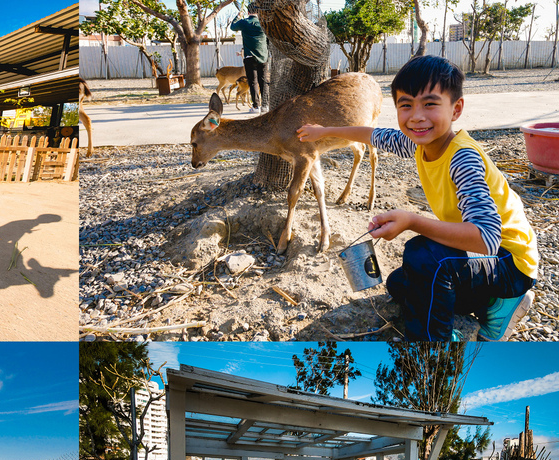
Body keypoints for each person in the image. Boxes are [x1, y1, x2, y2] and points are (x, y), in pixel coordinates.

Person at [296, 55, 538, 341]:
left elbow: (486, 239)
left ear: (456, 109)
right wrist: (325, 132)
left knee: (422, 255)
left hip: (510, 263)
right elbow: (372, 135)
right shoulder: (417, 141)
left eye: (430, 104)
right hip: (487, 261)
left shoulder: (462, 158)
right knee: (400, 283)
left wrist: (412, 221)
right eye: (406, 105)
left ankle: (434, 349)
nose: (417, 116)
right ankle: (492, 305)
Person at [230, 6, 268, 113]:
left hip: (249, 57)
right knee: (264, 81)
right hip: (263, 57)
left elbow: (233, 27)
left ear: (248, 12)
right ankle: (265, 105)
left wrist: (238, 16)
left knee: (253, 82)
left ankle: (256, 107)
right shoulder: (263, 23)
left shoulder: (244, 22)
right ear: (258, 11)